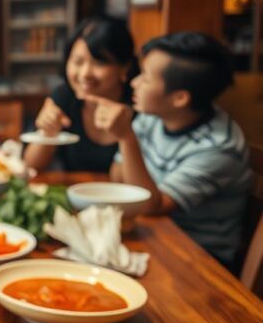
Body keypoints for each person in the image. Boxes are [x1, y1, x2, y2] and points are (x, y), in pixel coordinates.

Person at [90, 32, 252, 271]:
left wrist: (126, 137)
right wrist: (127, 139)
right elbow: (118, 178)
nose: (134, 83)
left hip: (199, 261)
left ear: (179, 98)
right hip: (151, 239)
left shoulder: (219, 147)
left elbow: (150, 207)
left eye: (145, 78)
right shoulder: (153, 117)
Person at [24, 17, 139, 173]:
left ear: (125, 68)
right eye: (78, 62)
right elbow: (30, 167)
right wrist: (47, 133)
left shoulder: (141, 105)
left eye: (99, 63)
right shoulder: (64, 97)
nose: (85, 74)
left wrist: (127, 135)